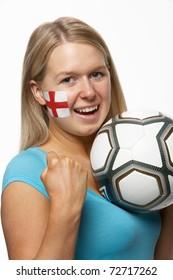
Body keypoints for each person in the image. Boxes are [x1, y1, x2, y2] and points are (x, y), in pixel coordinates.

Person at [1, 17, 173, 260]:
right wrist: (65, 208)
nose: (89, 92)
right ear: (38, 92)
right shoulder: (28, 172)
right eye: (68, 79)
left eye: (96, 74)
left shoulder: (143, 157)